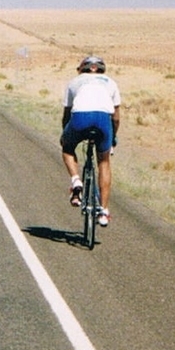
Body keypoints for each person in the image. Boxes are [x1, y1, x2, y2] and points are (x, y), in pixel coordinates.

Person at [61, 55, 120, 226]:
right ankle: (103, 211)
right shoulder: (111, 82)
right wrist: (113, 138)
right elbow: (116, 118)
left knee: (67, 149)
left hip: (80, 118)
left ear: (81, 69)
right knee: (104, 161)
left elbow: (67, 114)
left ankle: (76, 180)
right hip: (103, 120)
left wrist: (65, 135)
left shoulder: (74, 82)